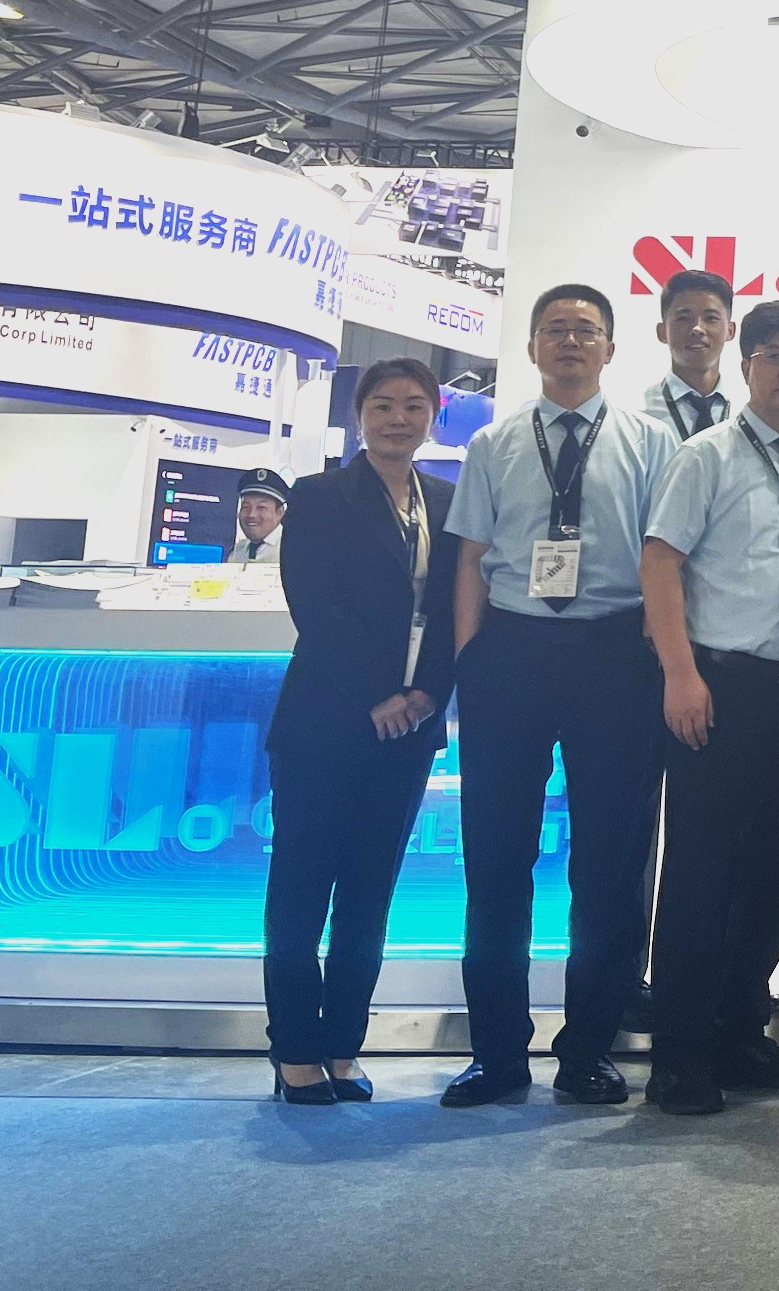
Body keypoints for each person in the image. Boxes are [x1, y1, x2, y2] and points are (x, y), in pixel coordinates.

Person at [442, 284, 675, 1110]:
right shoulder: (494, 443)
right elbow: (471, 558)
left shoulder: (651, 442)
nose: (570, 342)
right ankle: (497, 1053)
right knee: (495, 857)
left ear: (610, 348)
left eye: (586, 331)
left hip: (615, 654)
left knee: (610, 861)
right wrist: (469, 664)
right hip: (511, 652)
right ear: (533, 347)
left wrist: (661, 658)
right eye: (555, 330)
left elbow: (663, 560)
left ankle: (588, 1051)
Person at [639, 295, 779, 1116]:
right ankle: (679, 1056)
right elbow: (661, 563)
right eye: (775, 357)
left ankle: (739, 1033)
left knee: (772, 877)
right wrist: (679, 673)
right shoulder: (707, 456)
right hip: (720, 690)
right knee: (701, 876)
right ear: (745, 363)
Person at [263, 362, 453, 1105]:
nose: (398, 418)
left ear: (434, 414)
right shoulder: (319, 496)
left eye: (413, 405)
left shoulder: (447, 501)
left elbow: (456, 609)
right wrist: (377, 694)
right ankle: (294, 1049)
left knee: (369, 895)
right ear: (359, 415)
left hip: (409, 730)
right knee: (301, 888)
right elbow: (314, 605)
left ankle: (343, 1044)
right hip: (323, 723)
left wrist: (428, 692)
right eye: (382, 405)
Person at [644, 268, 737, 440]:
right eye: (684, 318)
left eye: (711, 318)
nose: (697, 329)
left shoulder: (749, 411)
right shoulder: (634, 415)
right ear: (662, 332)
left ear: (730, 331)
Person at [233, 471, 288, 564]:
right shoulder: (238, 551)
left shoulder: (291, 550)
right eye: (246, 507)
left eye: (261, 507)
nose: (251, 514)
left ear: (279, 513)